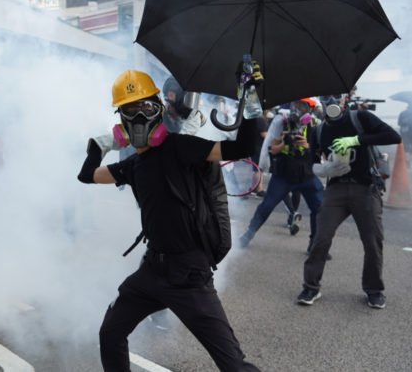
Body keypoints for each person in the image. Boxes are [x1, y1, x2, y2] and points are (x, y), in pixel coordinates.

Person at [78, 69, 260, 372]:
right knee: (110, 333)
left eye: (146, 108)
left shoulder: (181, 147)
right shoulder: (133, 165)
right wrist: (99, 146)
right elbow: (87, 176)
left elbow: (242, 148)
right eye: (130, 110)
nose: (139, 117)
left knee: (233, 366)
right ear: (121, 122)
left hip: (190, 276)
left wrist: (251, 99)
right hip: (152, 271)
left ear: (160, 110)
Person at [297, 94, 401, 309]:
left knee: (372, 241)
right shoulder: (319, 130)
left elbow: (393, 136)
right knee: (321, 238)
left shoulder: (361, 118)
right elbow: (312, 161)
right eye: (326, 98)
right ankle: (310, 287)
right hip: (336, 188)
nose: (331, 102)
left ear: (345, 100)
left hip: (366, 187)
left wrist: (357, 140)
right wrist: (326, 168)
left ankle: (374, 289)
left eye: (336, 97)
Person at [239, 98, 324, 249]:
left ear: (309, 109)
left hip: (307, 175)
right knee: (266, 206)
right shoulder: (282, 123)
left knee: (319, 208)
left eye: (302, 105)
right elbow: (272, 149)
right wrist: (285, 142)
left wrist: (307, 146)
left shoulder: (314, 125)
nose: (298, 108)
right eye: (295, 104)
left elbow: (321, 152)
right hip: (283, 175)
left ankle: (314, 245)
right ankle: (247, 236)